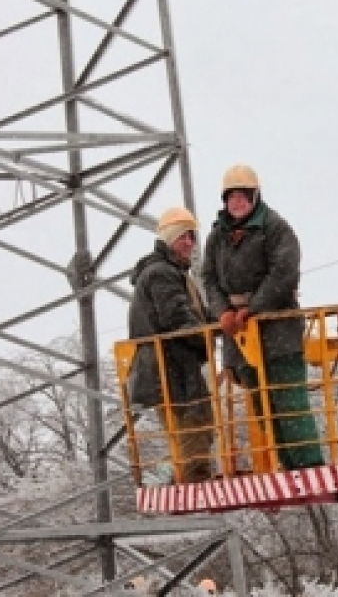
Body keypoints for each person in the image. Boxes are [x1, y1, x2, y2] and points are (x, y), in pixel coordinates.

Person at [202, 164, 324, 471]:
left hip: (278, 329)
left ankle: (307, 464)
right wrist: (223, 312)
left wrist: (254, 308)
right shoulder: (217, 235)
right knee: (261, 402)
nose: (238, 202)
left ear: (255, 196)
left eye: (243, 196)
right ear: (224, 200)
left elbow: (284, 272)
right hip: (240, 336)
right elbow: (209, 278)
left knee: (288, 397)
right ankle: (287, 462)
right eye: (232, 197)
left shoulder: (275, 228)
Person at [127, 206, 214, 484]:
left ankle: (178, 476)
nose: (189, 242)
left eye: (191, 236)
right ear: (167, 239)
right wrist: (208, 336)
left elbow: (190, 316)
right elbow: (177, 318)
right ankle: (188, 481)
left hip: (170, 366)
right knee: (192, 427)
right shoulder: (162, 273)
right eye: (182, 237)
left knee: (196, 426)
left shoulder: (168, 272)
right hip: (171, 366)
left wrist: (219, 321)